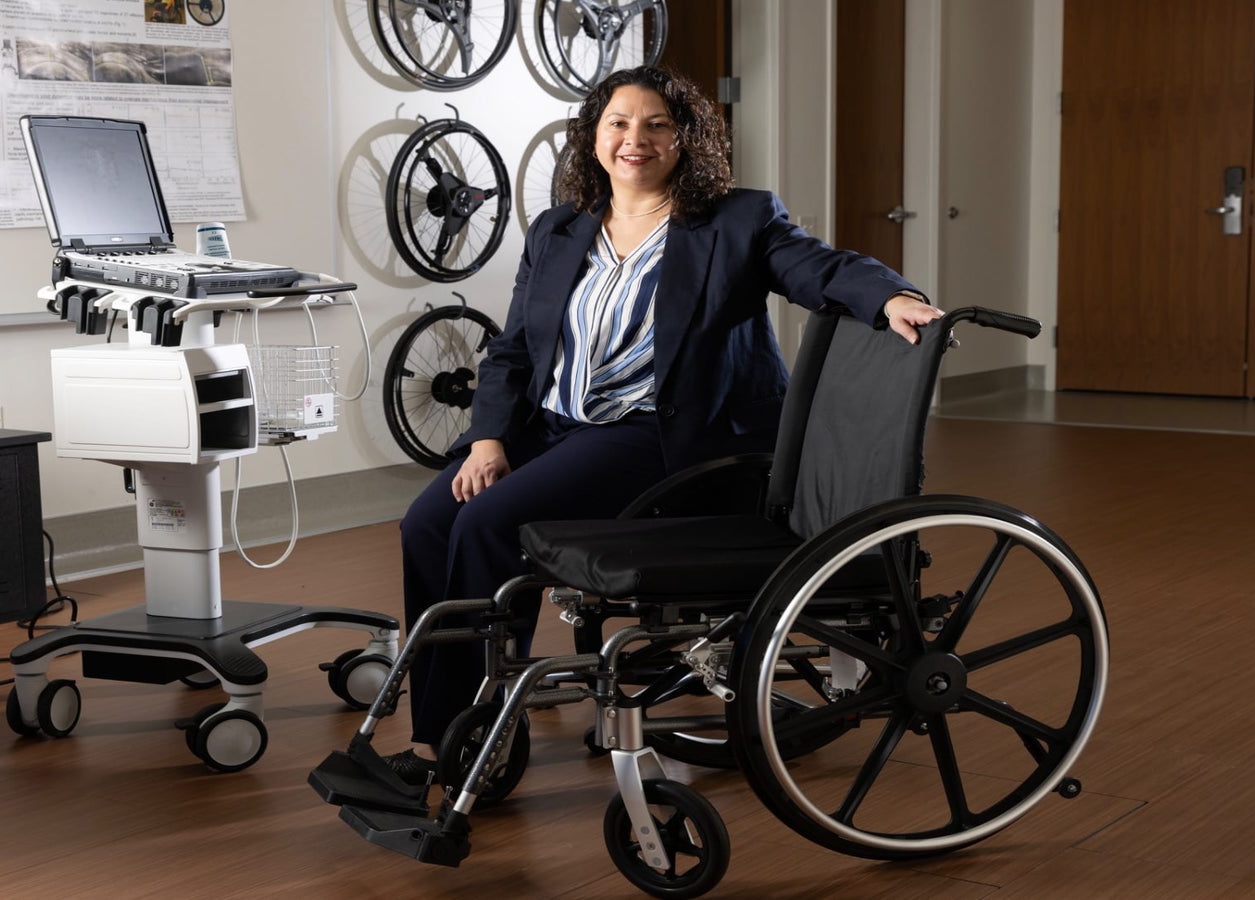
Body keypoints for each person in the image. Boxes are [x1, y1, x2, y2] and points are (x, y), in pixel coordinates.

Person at [387, 65, 942, 782]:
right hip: (549, 425)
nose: (635, 139)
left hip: (655, 435)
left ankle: (472, 736)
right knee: (428, 523)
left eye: (656, 125)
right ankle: (444, 727)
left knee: (487, 523)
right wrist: (488, 437)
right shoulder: (559, 229)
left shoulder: (738, 220)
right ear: (593, 136)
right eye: (618, 123)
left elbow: (819, 268)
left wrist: (890, 296)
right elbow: (514, 349)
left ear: (685, 139)